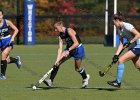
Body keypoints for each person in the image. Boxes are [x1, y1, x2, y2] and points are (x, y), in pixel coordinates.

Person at [43, 21, 90, 88]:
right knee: (57, 64)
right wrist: (57, 60)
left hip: (78, 49)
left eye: (56, 28)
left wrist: (68, 50)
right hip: (69, 49)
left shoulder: (69, 31)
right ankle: (50, 81)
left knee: (77, 68)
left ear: (61, 26)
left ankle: (85, 78)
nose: (55, 30)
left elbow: (76, 43)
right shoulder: (60, 35)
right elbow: (60, 48)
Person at [107, 12, 140, 88]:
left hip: (138, 46)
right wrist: (116, 55)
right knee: (138, 66)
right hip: (132, 47)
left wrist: (130, 41)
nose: (113, 24)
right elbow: (121, 44)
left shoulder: (127, 26)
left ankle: (117, 82)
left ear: (117, 20)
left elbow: (138, 34)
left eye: (113, 22)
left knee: (121, 60)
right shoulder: (119, 29)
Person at [0, 9, 22, 79]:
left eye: (0, 15)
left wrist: (12, 38)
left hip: (8, 41)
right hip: (1, 42)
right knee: (6, 60)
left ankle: (2, 75)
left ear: (2, 15)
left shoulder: (7, 22)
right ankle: (16, 60)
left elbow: (16, 30)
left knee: (3, 55)